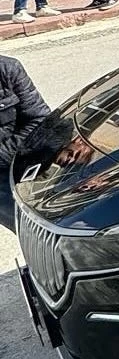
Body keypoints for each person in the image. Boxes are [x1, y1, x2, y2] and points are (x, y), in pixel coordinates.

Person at [0, 54, 51, 231]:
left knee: (36, 231)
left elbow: (40, 119)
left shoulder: (8, 68)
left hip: (16, 168)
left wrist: (2, 156)